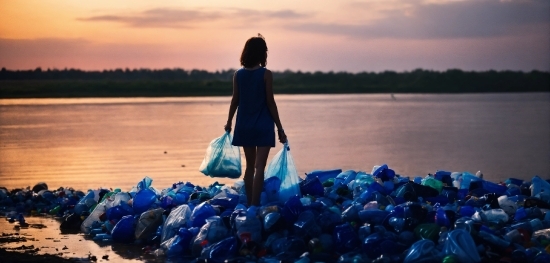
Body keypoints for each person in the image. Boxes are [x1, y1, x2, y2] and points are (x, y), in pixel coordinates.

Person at [224, 34, 287, 206]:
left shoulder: (238, 75)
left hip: (244, 125)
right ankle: (255, 205)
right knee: (260, 167)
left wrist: (229, 122)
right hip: (263, 125)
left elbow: (235, 100)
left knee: (250, 166)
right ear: (262, 53)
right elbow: (270, 102)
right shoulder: (266, 74)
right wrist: (280, 129)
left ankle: (250, 204)